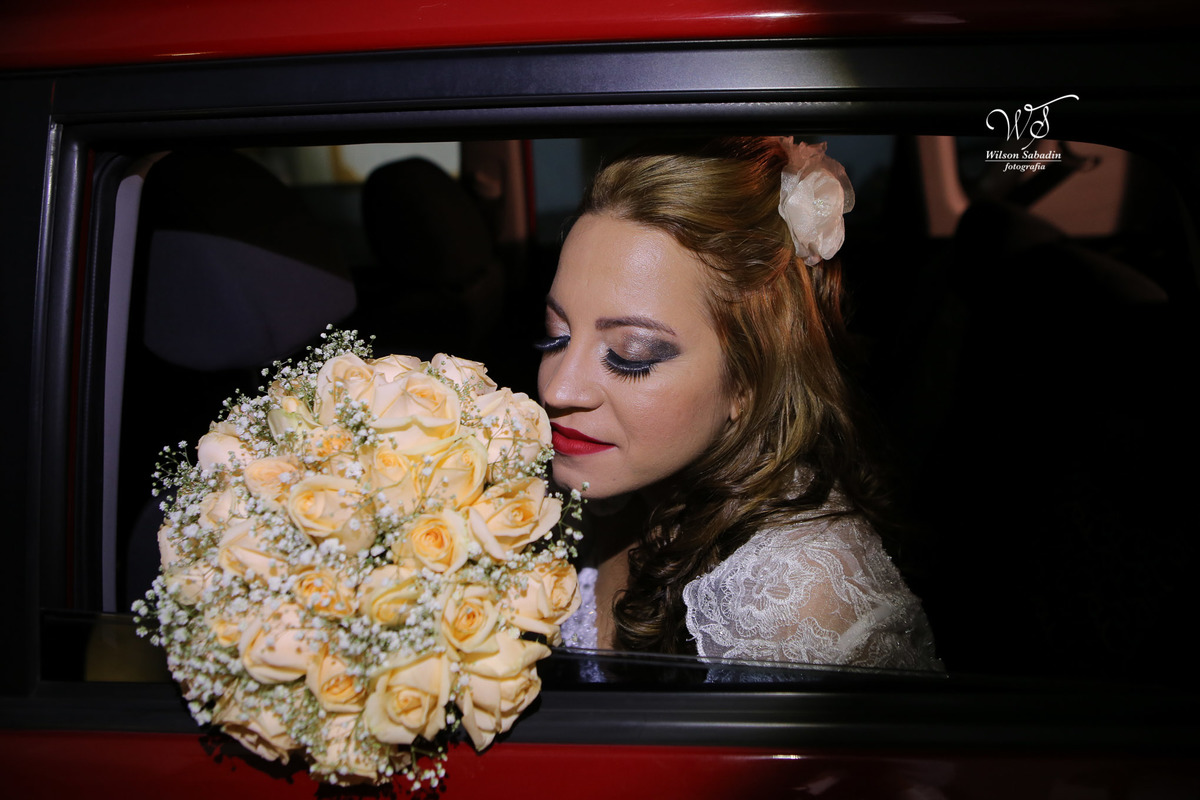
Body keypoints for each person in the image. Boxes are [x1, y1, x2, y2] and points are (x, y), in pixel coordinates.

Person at [537, 137, 941, 672]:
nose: (558, 390)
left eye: (629, 356)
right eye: (555, 337)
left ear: (750, 378)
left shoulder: (796, 600)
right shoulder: (597, 493)